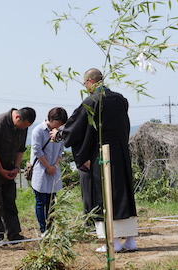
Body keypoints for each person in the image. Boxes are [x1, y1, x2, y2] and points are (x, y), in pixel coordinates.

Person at [54, 68, 138, 252]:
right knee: (123, 194)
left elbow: (76, 128)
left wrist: (60, 133)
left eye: (85, 84)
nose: (85, 88)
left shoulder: (92, 100)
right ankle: (130, 240)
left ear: (90, 82)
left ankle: (113, 242)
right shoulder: (120, 99)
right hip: (122, 153)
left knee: (107, 196)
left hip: (103, 156)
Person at [0, 107, 36, 244]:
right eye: (23, 126)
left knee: (10, 202)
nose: (23, 128)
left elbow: (20, 149)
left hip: (10, 167)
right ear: (17, 117)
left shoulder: (23, 126)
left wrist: (16, 167)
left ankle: (14, 234)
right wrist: (0, 169)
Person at [30, 107, 68, 237]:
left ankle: (51, 228)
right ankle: (43, 229)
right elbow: (37, 151)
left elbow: (60, 149)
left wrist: (55, 165)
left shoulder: (59, 132)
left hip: (53, 170)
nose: (59, 126)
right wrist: (48, 167)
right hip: (41, 170)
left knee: (52, 202)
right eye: (58, 123)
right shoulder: (38, 131)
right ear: (51, 120)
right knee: (41, 201)